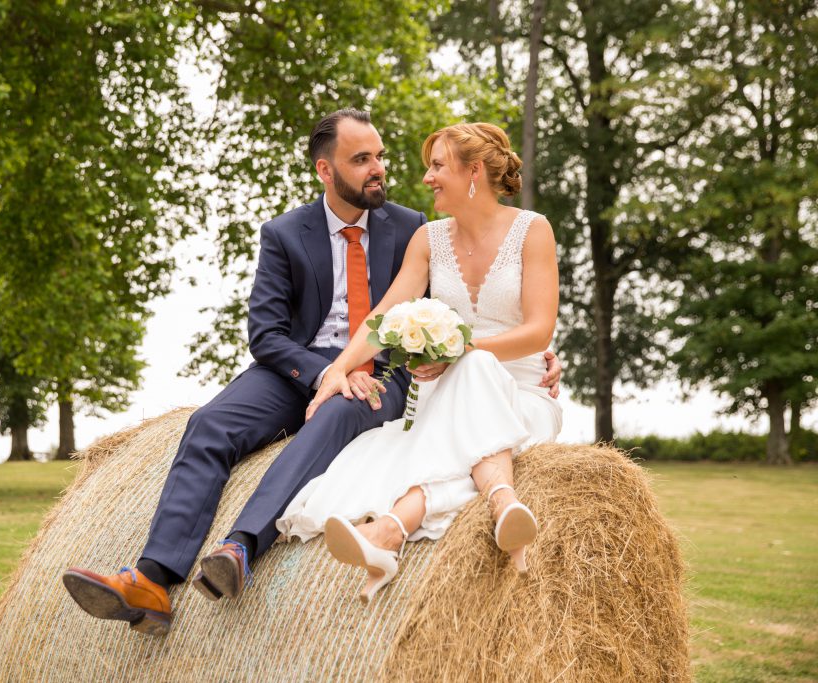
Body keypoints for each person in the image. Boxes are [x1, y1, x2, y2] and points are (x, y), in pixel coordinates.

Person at [62, 111, 562, 635]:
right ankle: (152, 580)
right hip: (301, 367)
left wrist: (533, 358)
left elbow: (463, 320)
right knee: (209, 425)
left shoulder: (416, 226)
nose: (380, 170)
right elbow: (269, 334)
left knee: (346, 407)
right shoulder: (284, 233)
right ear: (326, 170)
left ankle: (241, 546)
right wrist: (330, 372)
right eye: (362, 159)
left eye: (380, 157)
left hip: (387, 375)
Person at [277, 122, 562, 603]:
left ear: (473, 172)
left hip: (520, 394)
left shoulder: (532, 230)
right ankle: (499, 499)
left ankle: (394, 527)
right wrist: (340, 370)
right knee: (458, 412)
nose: (426, 177)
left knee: (472, 369)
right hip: (440, 398)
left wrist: (460, 352)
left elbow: (539, 331)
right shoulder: (429, 239)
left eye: (437, 166)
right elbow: (382, 318)